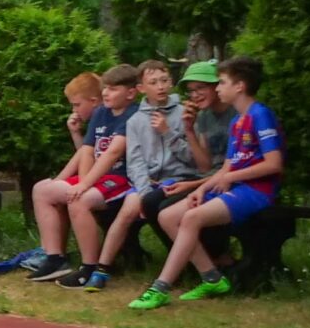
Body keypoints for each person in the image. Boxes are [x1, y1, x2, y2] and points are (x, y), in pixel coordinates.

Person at [129, 55, 282, 311]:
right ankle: (212, 278)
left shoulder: (260, 115)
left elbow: (273, 164)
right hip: (233, 186)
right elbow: (227, 165)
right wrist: (200, 189)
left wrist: (227, 178)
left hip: (256, 190)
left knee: (190, 218)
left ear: (239, 86)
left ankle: (161, 287)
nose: (218, 88)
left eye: (221, 83)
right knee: (167, 216)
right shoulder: (238, 121)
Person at [67, 59, 209, 291]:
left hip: (181, 178)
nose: (160, 86)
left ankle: (184, 269)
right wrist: (143, 192)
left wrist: (167, 133)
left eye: (164, 80)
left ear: (171, 82)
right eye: (153, 82)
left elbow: (194, 160)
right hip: (148, 182)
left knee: (160, 208)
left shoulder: (184, 114)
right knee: (128, 209)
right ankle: (102, 269)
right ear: (141, 88)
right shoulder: (135, 121)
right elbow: (135, 162)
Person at [17, 66, 135, 281]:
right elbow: (87, 151)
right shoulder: (101, 113)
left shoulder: (133, 115)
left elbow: (113, 153)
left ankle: (90, 266)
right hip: (99, 177)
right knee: (41, 190)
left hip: (122, 178)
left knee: (79, 200)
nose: (106, 93)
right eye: (105, 88)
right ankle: (54, 258)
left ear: (131, 93)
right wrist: (81, 181)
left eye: (112, 89)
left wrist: (84, 185)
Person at [179, 59, 228, 164]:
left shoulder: (238, 111)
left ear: (217, 85)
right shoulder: (203, 116)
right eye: (190, 91)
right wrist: (189, 130)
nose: (195, 95)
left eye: (200, 88)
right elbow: (205, 166)